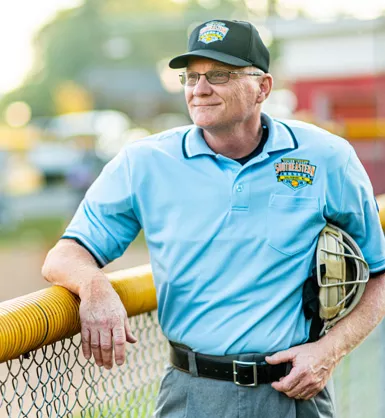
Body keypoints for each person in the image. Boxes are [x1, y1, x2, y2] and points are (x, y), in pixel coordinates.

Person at [42, 19, 385, 418]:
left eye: (219, 75)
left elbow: (379, 272)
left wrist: (331, 350)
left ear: (263, 87)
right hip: (191, 395)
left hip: (293, 391)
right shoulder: (144, 163)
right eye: (191, 77)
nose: (199, 89)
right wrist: (95, 287)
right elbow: (64, 255)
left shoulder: (327, 157)